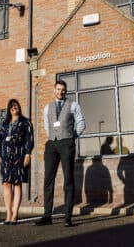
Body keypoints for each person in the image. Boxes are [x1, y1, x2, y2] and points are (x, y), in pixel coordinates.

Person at [34, 80, 86, 227]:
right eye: (58, 89)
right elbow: (46, 125)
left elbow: (81, 122)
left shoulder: (73, 105)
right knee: (48, 179)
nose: (60, 92)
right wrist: (52, 136)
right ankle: (47, 216)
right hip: (51, 144)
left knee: (68, 179)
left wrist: (71, 136)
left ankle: (68, 217)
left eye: (63, 90)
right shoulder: (47, 107)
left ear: (66, 91)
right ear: (54, 90)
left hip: (66, 143)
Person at [0, 99, 34, 225]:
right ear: (8, 109)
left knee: (17, 184)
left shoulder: (26, 122)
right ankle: (8, 213)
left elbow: (29, 139)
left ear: (19, 107)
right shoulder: (4, 123)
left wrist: (28, 154)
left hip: (19, 155)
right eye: (11, 106)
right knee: (6, 183)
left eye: (16, 105)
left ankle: (15, 213)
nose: (14, 107)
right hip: (5, 157)